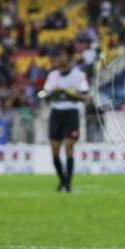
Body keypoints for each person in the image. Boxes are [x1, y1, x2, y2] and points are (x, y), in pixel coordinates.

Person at [41, 51, 88, 192]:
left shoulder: (79, 75)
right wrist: (51, 92)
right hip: (56, 113)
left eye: (64, 65)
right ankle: (62, 180)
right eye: (59, 65)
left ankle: (68, 184)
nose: (61, 68)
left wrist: (70, 93)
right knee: (54, 150)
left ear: (69, 64)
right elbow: (43, 94)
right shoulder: (52, 76)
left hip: (71, 113)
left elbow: (86, 96)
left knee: (69, 147)